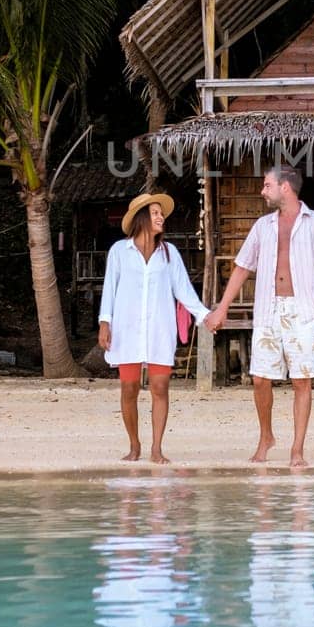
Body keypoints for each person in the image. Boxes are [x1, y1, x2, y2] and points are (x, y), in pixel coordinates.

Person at [206, 167, 314, 468]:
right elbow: (242, 267)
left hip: (303, 310)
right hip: (268, 309)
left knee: (301, 381)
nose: (262, 191)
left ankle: (297, 448)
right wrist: (222, 307)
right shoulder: (263, 226)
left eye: (267, 185)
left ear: (285, 187)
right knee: (259, 379)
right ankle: (266, 436)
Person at [98, 192, 210, 463]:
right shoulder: (119, 252)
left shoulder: (169, 254)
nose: (161, 217)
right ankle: (134, 445)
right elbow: (109, 290)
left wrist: (206, 316)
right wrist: (105, 322)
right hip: (127, 329)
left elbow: (183, 290)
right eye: (155, 213)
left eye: (161, 213)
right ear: (141, 218)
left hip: (160, 328)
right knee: (129, 389)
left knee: (160, 387)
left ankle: (157, 448)